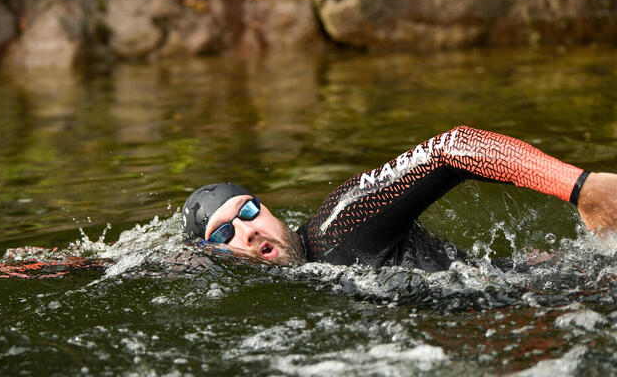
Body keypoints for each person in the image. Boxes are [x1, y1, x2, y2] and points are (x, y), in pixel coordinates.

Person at [181, 125, 617, 271]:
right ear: (213, 255)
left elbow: (452, 146)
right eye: (224, 234)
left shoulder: (342, 223)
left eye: (248, 211)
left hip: (550, 292)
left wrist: (582, 189)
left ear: (268, 209)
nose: (249, 231)